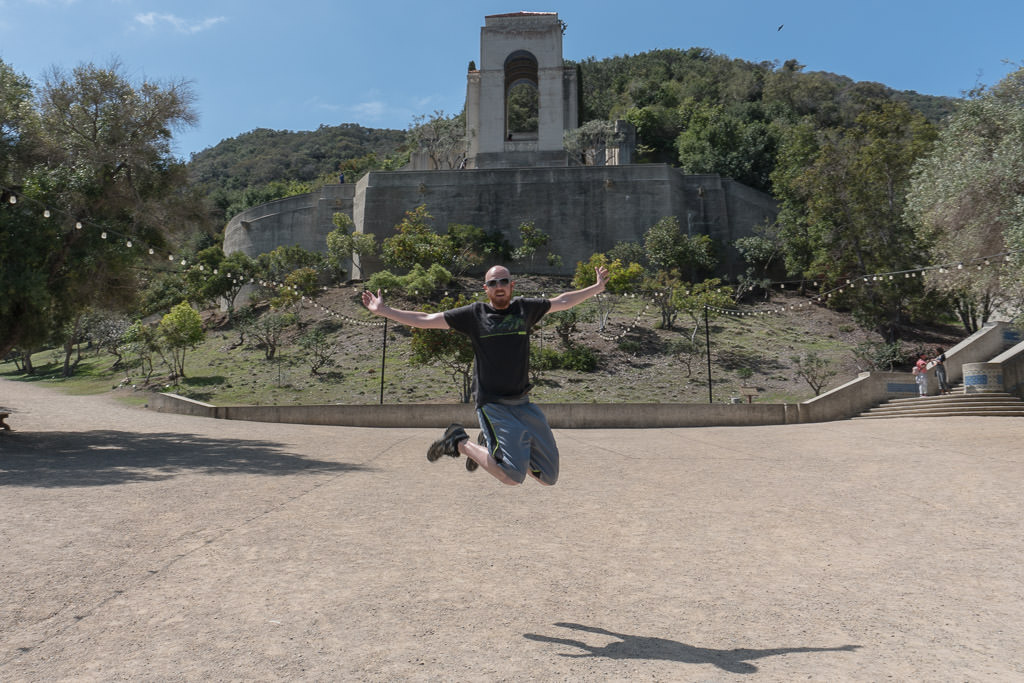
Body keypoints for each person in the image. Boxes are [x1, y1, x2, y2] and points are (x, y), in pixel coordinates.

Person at [361, 264, 610, 486]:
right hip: (493, 404)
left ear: (512, 285)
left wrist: (596, 288)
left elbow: (563, 301)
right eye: (493, 283)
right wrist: (386, 311)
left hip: (523, 403)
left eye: (503, 281)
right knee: (512, 476)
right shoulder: (474, 315)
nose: (499, 287)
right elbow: (426, 319)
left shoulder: (526, 309)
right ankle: (459, 441)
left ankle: (489, 444)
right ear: (485, 288)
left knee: (548, 477)